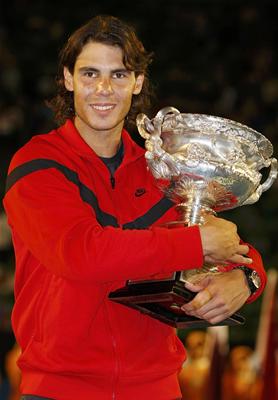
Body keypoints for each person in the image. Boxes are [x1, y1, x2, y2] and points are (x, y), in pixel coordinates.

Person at [3, 15, 266, 400]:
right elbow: (80, 253)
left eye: (119, 75)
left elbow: (233, 249)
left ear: (137, 83)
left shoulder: (160, 171)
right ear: (68, 79)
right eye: (90, 74)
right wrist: (194, 243)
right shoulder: (38, 164)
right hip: (58, 390)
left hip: (156, 389)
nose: (104, 89)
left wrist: (245, 281)